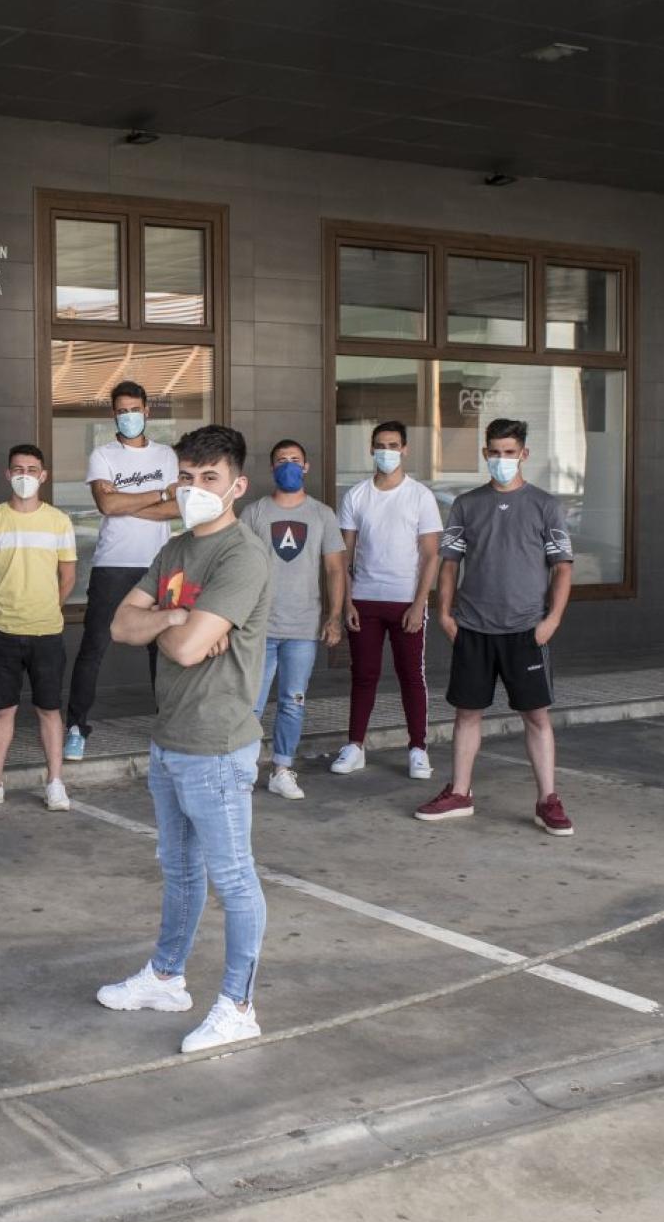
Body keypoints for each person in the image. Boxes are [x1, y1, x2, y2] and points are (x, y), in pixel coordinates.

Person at [96, 425, 274, 1053]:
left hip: (218, 742)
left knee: (233, 876)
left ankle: (239, 1004)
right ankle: (167, 978)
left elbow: (192, 647)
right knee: (178, 868)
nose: (196, 489)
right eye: (188, 477)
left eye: (211, 479)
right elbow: (120, 624)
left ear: (237, 486)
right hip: (170, 734)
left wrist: (170, 627)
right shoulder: (175, 549)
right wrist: (175, 616)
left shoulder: (242, 556)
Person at [416, 420, 575, 833]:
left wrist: (552, 621)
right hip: (473, 628)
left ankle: (547, 800)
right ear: (485, 454)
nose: (501, 459)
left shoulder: (545, 505)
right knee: (467, 713)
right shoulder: (467, 504)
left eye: (509, 452)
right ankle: (460, 793)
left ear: (524, 454)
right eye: (494, 452)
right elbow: (449, 565)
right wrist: (447, 615)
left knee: (536, 716)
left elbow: (562, 568)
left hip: (526, 631)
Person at [65, 380, 180, 762]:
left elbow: (176, 509)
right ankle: (77, 728)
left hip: (158, 563)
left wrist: (126, 502)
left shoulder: (166, 455)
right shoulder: (103, 453)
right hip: (112, 565)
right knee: (94, 647)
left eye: (135, 409)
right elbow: (106, 506)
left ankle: (168, 725)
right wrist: (158, 494)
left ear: (148, 410)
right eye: (121, 410)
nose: (129, 416)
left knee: (160, 649)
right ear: (113, 413)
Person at [0, 444, 77, 812]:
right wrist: (6, 600)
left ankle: (55, 783)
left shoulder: (59, 521)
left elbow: (68, 575)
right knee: (2, 711)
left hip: (47, 631)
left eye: (32, 469)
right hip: (4, 630)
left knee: (49, 709)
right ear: (8, 474)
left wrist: (45, 605)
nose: (25, 475)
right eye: (18, 469)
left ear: (44, 475)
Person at [333, 420, 442, 780]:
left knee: (412, 675)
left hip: (405, 603)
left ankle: (417, 748)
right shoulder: (356, 496)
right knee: (363, 675)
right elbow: (343, 556)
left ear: (405, 449)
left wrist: (418, 603)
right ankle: (355, 746)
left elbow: (430, 555)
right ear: (371, 449)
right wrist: (347, 603)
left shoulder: (420, 496)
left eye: (393, 445)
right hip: (365, 600)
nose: (386, 451)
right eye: (380, 445)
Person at [239, 439, 345, 801]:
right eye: (281, 460)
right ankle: (245, 767)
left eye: (294, 460)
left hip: (303, 627)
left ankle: (282, 768)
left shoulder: (322, 515)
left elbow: (335, 569)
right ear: (272, 468)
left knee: (293, 701)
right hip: (259, 627)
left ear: (306, 466)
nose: (288, 465)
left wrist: (334, 617)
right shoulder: (253, 513)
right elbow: (239, 568)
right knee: (250, 702)